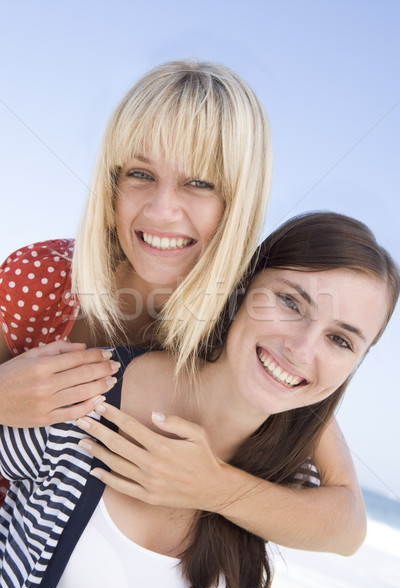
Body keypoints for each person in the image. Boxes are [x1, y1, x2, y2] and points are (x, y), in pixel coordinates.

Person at [0, 61, 363, 555]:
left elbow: (346, 526)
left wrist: (215, 488)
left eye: (200, 183)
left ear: (238, 201)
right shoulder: (39, 277)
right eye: (140, 174)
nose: (162, 210)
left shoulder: (252, 327)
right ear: (112, 183)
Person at [0, 212, 398, 588]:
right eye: (290, 302)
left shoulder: (286, 478)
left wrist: (213, 488)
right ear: (242, 288)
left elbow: (349, 529)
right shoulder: (92, 391)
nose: (302, 348)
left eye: (341, 341)